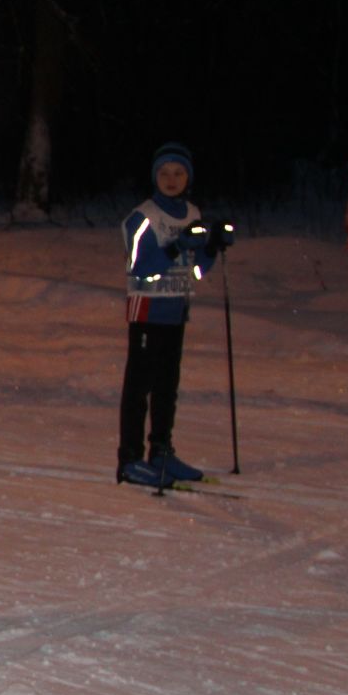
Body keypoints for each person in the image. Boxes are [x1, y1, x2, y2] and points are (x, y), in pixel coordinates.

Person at [116, 141, 231, 487]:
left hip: (175, 311)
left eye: (178, 173)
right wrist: (176, 246)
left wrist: (212, 247)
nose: (171, 179)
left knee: (168, 385)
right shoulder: (143, 217)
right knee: (140, 386)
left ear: (188, 178)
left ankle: (162, 450)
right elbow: (139, 267)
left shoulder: (193, 214)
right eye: (164, 172)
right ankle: (130, 459)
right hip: (148, 310)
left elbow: (193, 271)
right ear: (154, 176)